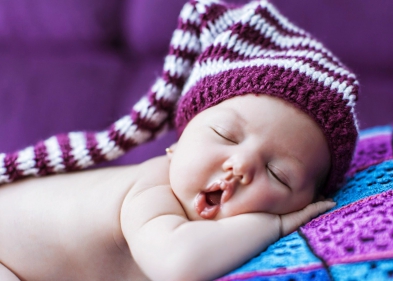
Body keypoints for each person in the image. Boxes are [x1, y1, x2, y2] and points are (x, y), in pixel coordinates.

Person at [0, 0, 359, 280]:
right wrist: (273, 225)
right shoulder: (152, 190)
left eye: (279, 174)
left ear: (308, 201)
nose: (242, 165)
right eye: (224, 135)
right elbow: (178, 264)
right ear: (178, 144)